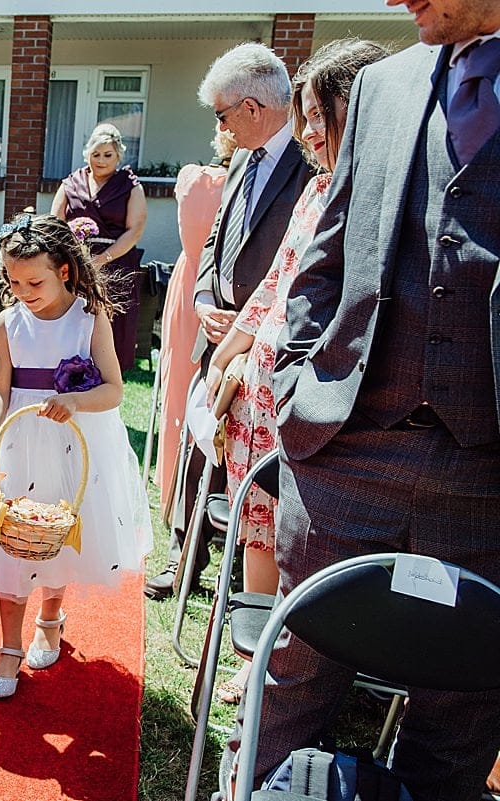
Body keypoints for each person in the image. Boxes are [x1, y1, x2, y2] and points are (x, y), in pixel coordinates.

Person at [232, 1, 500, 798]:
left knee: (463, 707)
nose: (395, 1)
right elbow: (326, 251)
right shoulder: (384, 85)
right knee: (292, 684)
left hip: (490, 477)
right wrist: (297, 390)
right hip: (346, 451)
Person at [201, 39, 389, 705]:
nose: (307, 132)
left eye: (318, 117)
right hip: (258, 391)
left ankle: (288, 661)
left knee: (301, 536)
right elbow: (278, 282)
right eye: (304, 116)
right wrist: (227, 355)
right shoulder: (314, 189)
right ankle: (253, 650)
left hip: (317, 400)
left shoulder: (382, 192)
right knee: (257, 520)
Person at [145, 42, 314, 601]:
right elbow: (215, 240)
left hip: (265, 343)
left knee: (250, 469)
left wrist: (249, 322)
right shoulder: (241, 158)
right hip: (214, 331)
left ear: (251, 107)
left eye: (222, 115)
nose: (220, 128)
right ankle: (183, 562)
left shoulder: (313, 163)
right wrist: (200, 298)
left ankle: (242, 581)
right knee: (199, 452)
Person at [0, 213, 152, 699]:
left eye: (34, 281)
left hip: (72, 437)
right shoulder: (8, 323)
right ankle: (9, 646)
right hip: (20, 440)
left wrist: (72, 401)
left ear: (65, 271)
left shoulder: (89, 319)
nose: (22, 291)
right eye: (12, 280)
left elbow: (114, 390)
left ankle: (50, 616)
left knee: (57, 528)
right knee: (13, 538)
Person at [153, 125, 234, 523]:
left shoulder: (195, 180)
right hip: (213, 291)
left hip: (191, 287)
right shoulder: (216, 182)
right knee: (198, 391)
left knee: (181, 388)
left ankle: (174, 493)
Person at [51, 123, 147, 372]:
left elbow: (134, 230)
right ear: (87, 155)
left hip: (116, 262)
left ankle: (109, 372)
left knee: (110, 318)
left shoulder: (130, 185)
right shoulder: (71, 183)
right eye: (96, 155)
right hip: (74, 263)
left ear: (118, 155)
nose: (101, 160)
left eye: (108, 155)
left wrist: (103, 258)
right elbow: (55, 223)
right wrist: (71, 257)